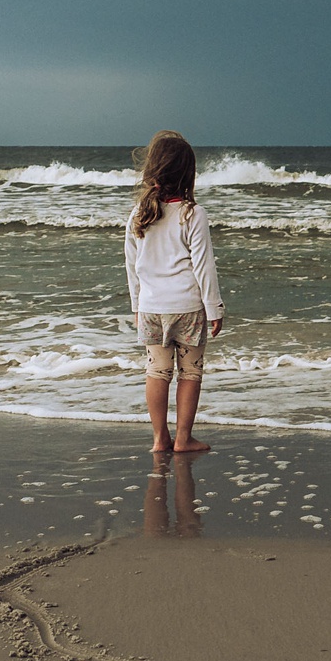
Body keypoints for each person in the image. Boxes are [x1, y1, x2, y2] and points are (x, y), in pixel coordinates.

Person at [125, 131, 225, 453]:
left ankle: (159, 438)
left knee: (156, 370)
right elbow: (203, 265)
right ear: (187, 173)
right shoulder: (192, 214)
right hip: (187, 306)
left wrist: (136, 306)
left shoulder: (139, 214)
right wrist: (214, 308)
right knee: (190, 372)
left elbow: (132, 265)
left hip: (151, 307)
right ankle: (183, 438)